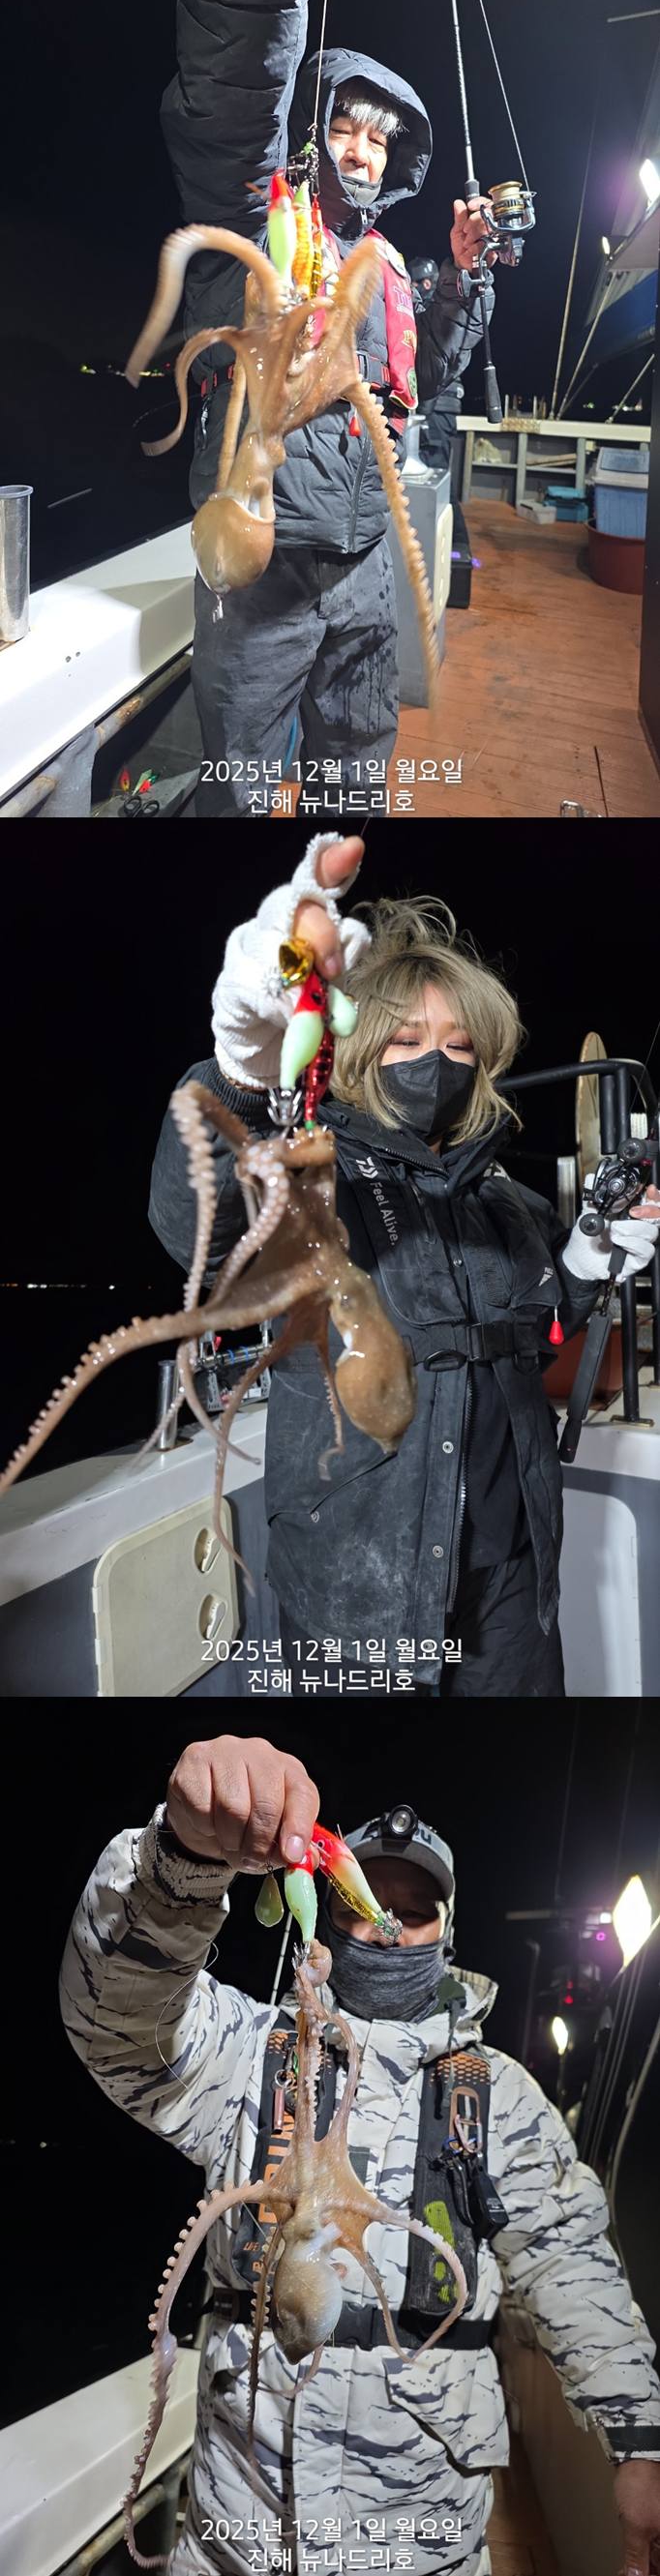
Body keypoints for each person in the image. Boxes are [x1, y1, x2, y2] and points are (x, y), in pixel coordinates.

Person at [60, 1744, 660, 2576]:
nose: (389, 1921)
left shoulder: (497, 2093)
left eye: (417, 1909)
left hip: (419, 2540)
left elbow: (570, 2262)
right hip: (239, 2532)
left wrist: (639, 2439)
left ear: (449, 1930)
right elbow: (118, 2025)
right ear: (325, 1907)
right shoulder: (250, 2051)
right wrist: (179, 1865)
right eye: (365, 1899)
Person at [148, 830, 660, 1694]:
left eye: (460, 1044)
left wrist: (586, 1262)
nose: (437, 1061)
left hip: (512, 1581)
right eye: (407, 1039)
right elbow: (192, 1218)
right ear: (358, 1052)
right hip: (359, 1594)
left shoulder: (506, 1199)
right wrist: (239, 1070)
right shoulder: (318, 1175)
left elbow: (538, 1337)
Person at [149, 0, 496, 815]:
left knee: (354, 780)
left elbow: (423, 378)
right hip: (261, 568)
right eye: (344, 128)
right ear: (309, 130)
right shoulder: (259, 222)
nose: (363, 152)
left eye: (380, 140)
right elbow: (231, 90)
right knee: (238, 788)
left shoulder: (387, 267)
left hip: (367, 563)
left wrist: (461, 280)